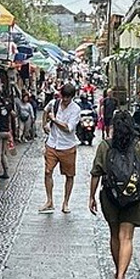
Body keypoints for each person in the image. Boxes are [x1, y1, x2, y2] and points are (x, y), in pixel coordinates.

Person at [89, 109, 140, 279]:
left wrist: (91, 196)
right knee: (127, 237)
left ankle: (118, 270)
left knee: (114, 235)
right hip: (133, 198)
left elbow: (96, 172)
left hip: (111, 197)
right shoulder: (139, 147)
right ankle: (121, 277)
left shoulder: (105, 146)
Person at [40, 83, 82, 214]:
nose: (64, 100)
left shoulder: (76, 109)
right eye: (63, 96)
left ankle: (65, 202)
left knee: (69, 175)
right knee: (48, 172)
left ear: (72, 97)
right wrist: (44, 124)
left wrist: (54, 120)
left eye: (67, 97)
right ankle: (49, 201)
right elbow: (45, 110)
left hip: (67, 145)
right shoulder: (54, 103)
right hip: (52, 143)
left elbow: (68, 128)